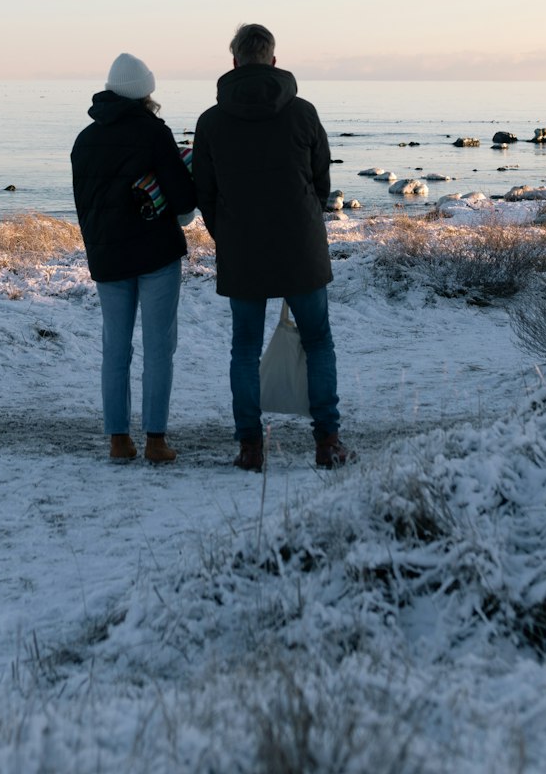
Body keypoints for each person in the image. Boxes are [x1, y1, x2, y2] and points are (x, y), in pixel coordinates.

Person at [192, 23, 347, 471]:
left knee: (244, 348)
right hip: (301, 246)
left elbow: (204, 191)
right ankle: (327, 443)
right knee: (318, 342)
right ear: (273, 60)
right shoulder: (302, 112)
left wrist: (228, 232)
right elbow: (322, 181)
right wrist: (305, 220)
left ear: (235, 61)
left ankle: (251, 448)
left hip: (243, 249)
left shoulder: (212, 121)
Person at [71, 52, 196, 464]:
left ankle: (118, 441)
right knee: (159, 347)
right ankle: (156, 442)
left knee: (115, 348)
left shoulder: (84, 141)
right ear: (146, 93)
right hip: (156, 252)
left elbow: (85, 209)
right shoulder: (153, 133)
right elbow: (182, 200)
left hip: (108, 258)